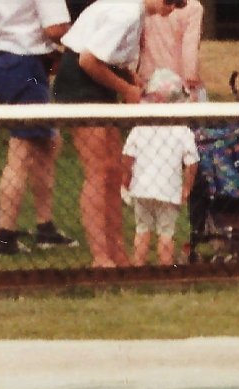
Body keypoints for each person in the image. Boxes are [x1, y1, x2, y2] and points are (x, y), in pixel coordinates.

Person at [56, 0, 160, 268]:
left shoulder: (133, 11)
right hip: (80, 83)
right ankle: (100, 257)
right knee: (98, 171)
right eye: (172, 1)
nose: (172, 8)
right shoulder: (126, 12)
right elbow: (87, 60)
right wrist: (126, 91)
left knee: (113, 172)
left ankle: (118, 254)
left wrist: (127, 77)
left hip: (98, 80)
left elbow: (107, 53)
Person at [0, 0, 71, 256]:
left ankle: (45, 227)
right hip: (23, 63)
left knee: (47, 141)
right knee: (21, 149)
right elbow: (56, 27)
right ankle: (5, 236)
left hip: (0, 59)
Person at [121, 66, 193, 264]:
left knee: (142, 229)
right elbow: (192, 163)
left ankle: (138, 266)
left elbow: (127, 157)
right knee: (166, 232)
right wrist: (187, 187)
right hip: (169, 189)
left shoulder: (140, 127)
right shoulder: (182, 130)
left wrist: (125, 181)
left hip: (142, 188)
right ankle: (165, 269)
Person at [134, 0, 198, 100]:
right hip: (178, 80)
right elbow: (190, 45)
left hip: (148, 77)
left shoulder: (148, 4)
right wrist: (191, 78)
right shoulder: (193, 8)